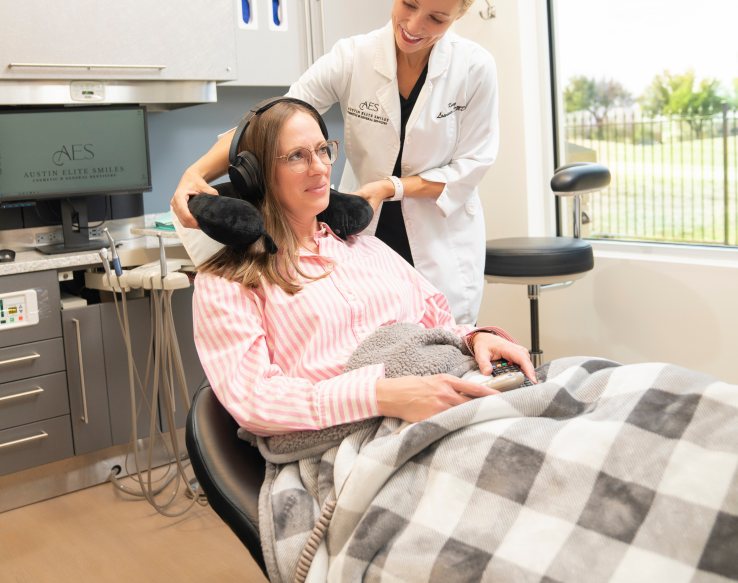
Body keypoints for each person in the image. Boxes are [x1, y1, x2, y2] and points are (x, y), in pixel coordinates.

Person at [175, 0, 498, 326]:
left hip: (440, 243)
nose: (414, 25)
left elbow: (472, 166)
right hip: (364, 232)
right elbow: (268, 122)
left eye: (437, 18)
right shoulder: (353, 57)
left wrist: (389, 188)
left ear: (460, 14)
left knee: (444, 339)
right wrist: (195, 173)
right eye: (408, 4)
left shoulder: (474, 69)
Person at [192, 100, 532, 437]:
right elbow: (255, 400)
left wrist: (477, 338)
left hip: (453, 388)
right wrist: (382, 395)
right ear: (256, 176)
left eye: (323, 150)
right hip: (364, 436)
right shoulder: (227, 282)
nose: (319, 168)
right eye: (297, 156)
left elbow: (441, 325)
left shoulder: (370, 248)